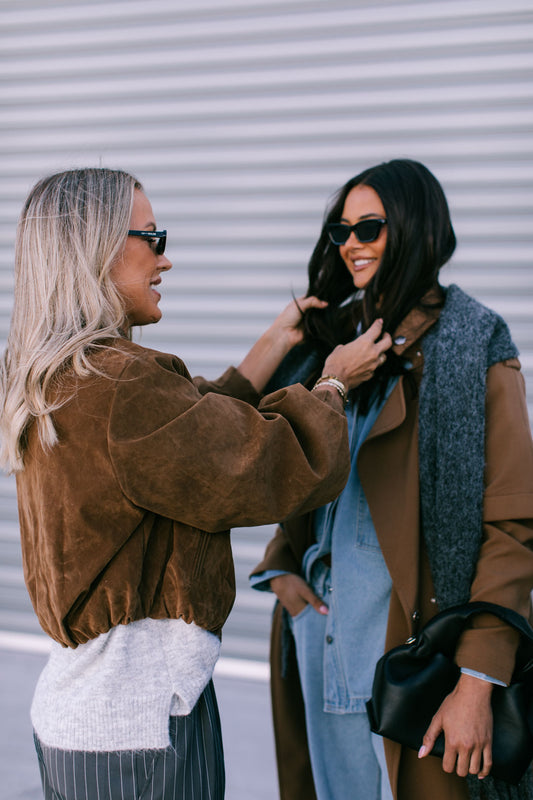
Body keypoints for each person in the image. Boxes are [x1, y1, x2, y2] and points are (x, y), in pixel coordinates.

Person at [0, 167, 391, 800]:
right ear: (96, 245)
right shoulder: (123, 386)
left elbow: (186, 432)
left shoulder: (63, 375)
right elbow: (262, 464)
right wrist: (333, 385)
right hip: (143, 729)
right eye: (151, 237)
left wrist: (273, 343)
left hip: (89, 718)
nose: (166, 258)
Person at [250, 159, 533, 800]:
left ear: (414, 229)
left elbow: (512, 524)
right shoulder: (332, 344)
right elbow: (274, 458)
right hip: (322, 645)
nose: (350, 244)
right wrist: (284, 572)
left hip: (414, 664)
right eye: (340, 231)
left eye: (369, 228)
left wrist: (479, 677)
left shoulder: (474, 342)